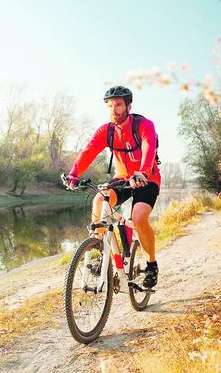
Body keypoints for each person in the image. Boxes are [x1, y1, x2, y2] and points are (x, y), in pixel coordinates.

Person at [64, 85, 161, 288]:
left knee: (138, 217)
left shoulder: (143, 125)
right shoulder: (106, 131)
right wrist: (74, 174)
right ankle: (98, 248)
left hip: (147, 178)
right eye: (109, 105)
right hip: (123, 178)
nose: (113, 109)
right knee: (100, 199)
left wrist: (142, 171)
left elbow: (148, 146)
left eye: (118, 105)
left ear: (128, 106)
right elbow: (89, 151)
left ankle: (151, 264)